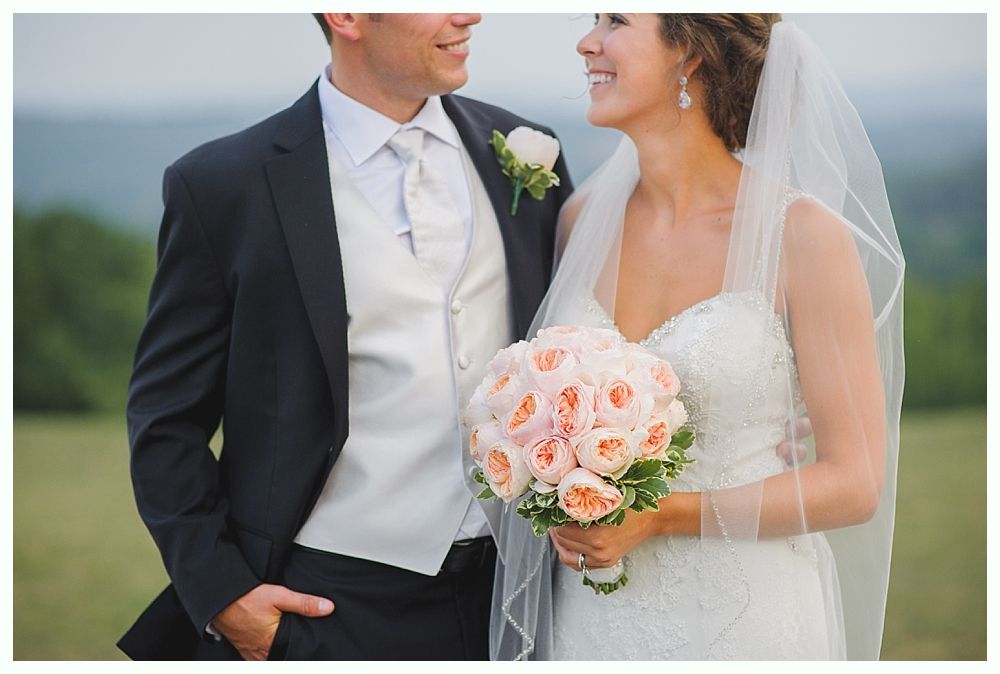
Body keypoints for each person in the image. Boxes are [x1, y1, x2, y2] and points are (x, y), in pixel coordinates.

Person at [118, 13, 573, 661]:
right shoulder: (224, 184)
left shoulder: (523, 150)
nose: (469, 13)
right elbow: (166, 419)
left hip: (517, 592)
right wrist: (223, 594)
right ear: (347, 15)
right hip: (326, 599)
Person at [490, 14, 904, 660]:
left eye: (616, 21)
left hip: (743, 615)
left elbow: (855, 484)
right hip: (596, 621)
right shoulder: (579, 220)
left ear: (690, 55)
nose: (587, 42)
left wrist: (661, 514)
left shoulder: (800, 234)